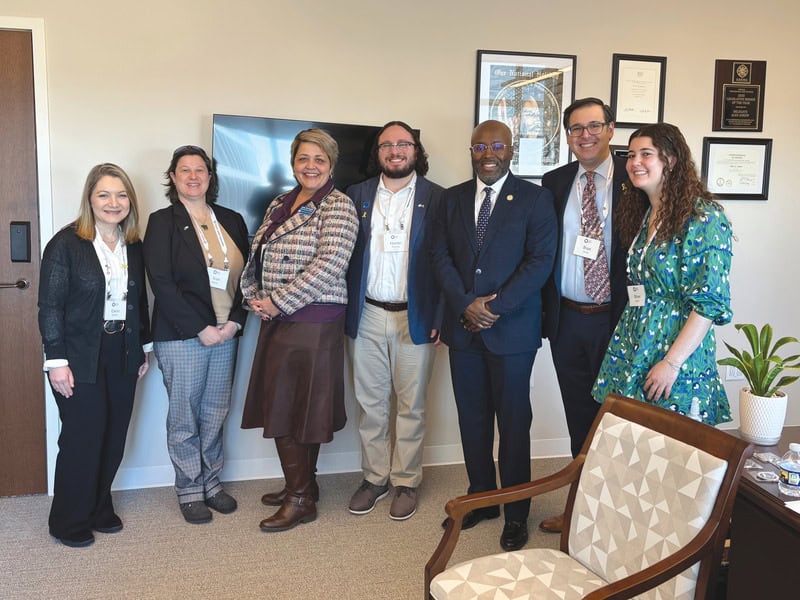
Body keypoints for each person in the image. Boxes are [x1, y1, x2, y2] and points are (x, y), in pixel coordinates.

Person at [430, 120, 557, 551]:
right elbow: (439, 255)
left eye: (497, 145)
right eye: (480, 146)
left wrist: (492, 306)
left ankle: (516, 511)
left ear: (512, 149)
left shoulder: (537, 199)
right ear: (470, 150)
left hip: (513, 330)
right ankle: (483, 498)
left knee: (514, 422)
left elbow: (540, 262)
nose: (488, 153)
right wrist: (466, 303)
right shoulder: (451, 198)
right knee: (473, 419)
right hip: (463, 330)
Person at [240, 128, 358, 532]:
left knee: (296, 408)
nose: (311, 166)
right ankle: (303, 485)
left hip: (312, 320)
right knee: (287, 404)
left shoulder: (339, 206)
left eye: (319, 159)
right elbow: (257, 251)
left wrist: (278, 301)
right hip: (277, 316)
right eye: (303, 158)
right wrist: (253, 293)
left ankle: (299, 498)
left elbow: (330, 266)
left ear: (331, 164)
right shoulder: (281, 202)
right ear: (293, 163)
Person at [39, 163, 152, 547]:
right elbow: (50, 306)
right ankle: (68, 521)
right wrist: (56, 361)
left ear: (130, 202)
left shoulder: (132, 243)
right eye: (104, 194)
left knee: (114, 436)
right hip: (78, 355)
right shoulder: (66, 244)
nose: (113, 202)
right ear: (90, 198)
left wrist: (143, 348)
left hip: (123, 349)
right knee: (82, 438)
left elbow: (139, 300)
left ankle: (99, 508)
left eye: (121, 195)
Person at [592, 123, 733, 426]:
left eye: (646, 154)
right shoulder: (645, 211)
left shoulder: (703, 217)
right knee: (631, 441)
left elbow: (709, 303)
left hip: (673, 347)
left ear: (670, 160)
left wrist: (672, 363)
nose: (635, 163)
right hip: (636, 337)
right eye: (630, 155)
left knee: (672, 445)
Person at [143, 145, 249, 524]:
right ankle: (190, 488)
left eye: (200, 169)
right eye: (184, 170)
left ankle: (212, 484)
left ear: (210, 176)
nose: (193, 176)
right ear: (173, 177)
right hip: (183, 335)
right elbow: (161, 282)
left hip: (227, 333)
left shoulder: (232, 220)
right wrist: (199, 328)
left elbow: (248, 278)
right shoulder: (163, 221)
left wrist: (235, 322)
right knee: (185, 416)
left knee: (215, 412)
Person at [344, 121, 443, 521]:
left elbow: (445, 263)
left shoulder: (438, 198)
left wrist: (440, 316)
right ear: (378, 152)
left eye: (404, 143)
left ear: (416, 151)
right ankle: (374, 478)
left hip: (415, 314)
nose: (396, 150)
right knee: (370, 405)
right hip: (367, 313)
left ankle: (405, 481)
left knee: (412, 406)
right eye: (387, 145)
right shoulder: (357, 195)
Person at [538, 98, 628, 534]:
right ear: (567, 135)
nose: (585, 135)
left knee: (618, 417)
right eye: (576, 128)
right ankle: (580, 510)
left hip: (619, 318)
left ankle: (618, 512)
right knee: (578, 414)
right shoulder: (554, 182)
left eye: (594, 125)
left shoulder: (636, 175)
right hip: (568, 318)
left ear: (611, 129)